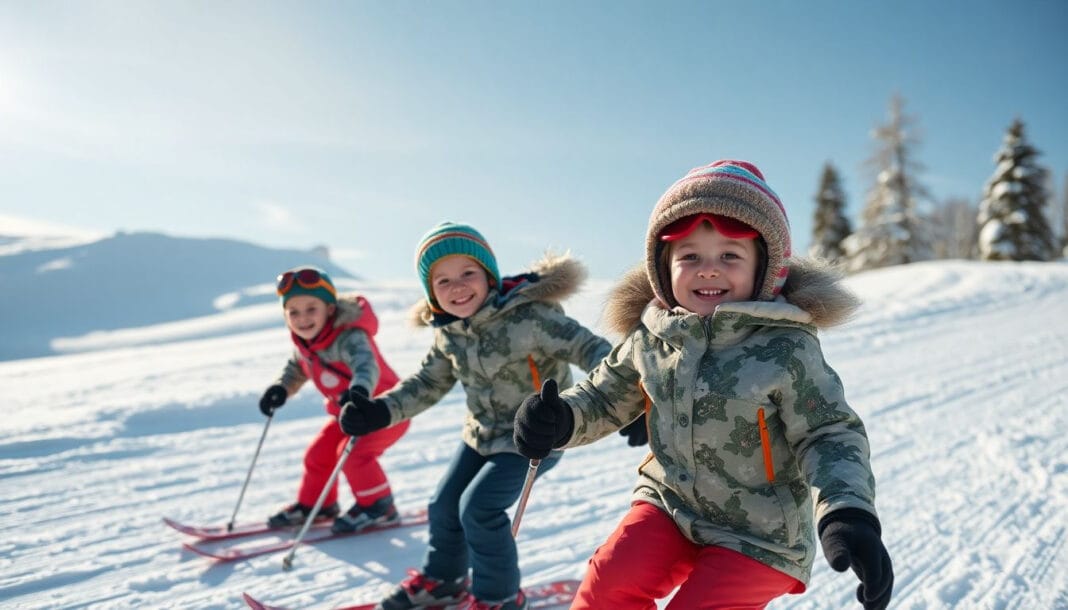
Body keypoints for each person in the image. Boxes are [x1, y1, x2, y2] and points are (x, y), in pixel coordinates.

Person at [514, 160, 893, 610]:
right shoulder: (652, 336)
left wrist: (848, 511)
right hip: (669, 508)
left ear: (765, 269)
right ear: (662, 267)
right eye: (689, 256)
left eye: (729, 256)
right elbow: (602, 396)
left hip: (760, 536)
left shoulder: (785, 348)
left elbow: (828, 433)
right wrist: (561, 419)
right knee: (607, 587)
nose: (708, 270)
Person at [337, 222, 620, 610]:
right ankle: (444, 581)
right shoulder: (449, 331)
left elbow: (593, 349)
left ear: (489, 276)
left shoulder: (530, 318)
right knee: (443, 505)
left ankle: (499, 597)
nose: (457, 287)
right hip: (481, 435)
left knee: (479, 510)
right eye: (443, 281)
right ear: (431, 293)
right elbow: (426, 383)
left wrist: (622, 397)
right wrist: (380, 411)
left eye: (468, 273)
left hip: (534, 435)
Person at [260, 266, 411, 534]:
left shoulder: (349, 336)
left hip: (384, 409)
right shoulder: (307, 343)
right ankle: (317, 506)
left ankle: (379, 506)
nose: (302, 318)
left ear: (329, 309)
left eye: (310, 309)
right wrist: (281, 388)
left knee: (353, 455)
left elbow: (367, 366)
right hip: (349, 414)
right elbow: (297, 368)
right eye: (293, 312)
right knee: (319, 454)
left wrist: (359, 391)